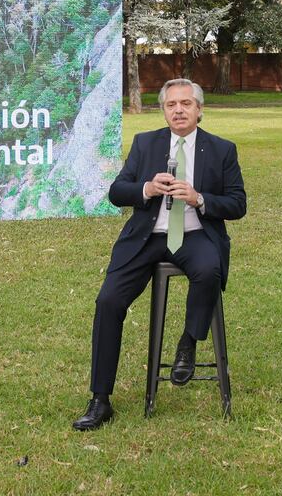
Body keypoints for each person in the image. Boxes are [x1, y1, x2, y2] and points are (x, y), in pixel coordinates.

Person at [73, 78, 247, 431]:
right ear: (163, 110)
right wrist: (147, 188)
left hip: (194, 234)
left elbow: (238, 204)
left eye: (186, 104)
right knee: (108, 301)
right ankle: (99, 400)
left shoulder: (221, 149)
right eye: (171, 105)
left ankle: (188, 344)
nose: (178, 110)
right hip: (146, 237)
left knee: (209, 269)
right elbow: (116, 191)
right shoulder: (145, 143)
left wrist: (199, 199)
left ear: (200, 109)